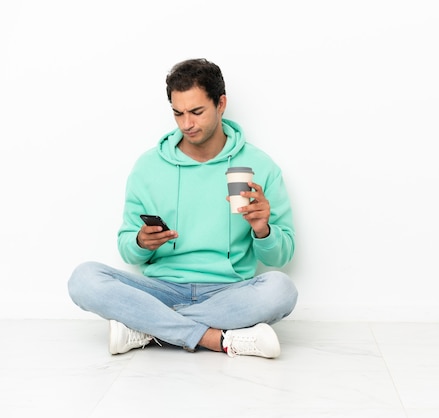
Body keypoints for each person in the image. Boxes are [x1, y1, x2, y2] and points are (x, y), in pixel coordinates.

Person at [68, 58, 298, 359]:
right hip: (161, 290)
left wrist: (263, 230)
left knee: (282, 290)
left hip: (228, 292)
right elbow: (127, 249)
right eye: (178, 113)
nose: (186, 124)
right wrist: (141, 242)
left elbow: (281, 256)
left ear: (221, 103)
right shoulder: (148, 167)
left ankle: (149, 328)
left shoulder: (260, 166)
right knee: (84, 278)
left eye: (197, 112)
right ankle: (216, 338)